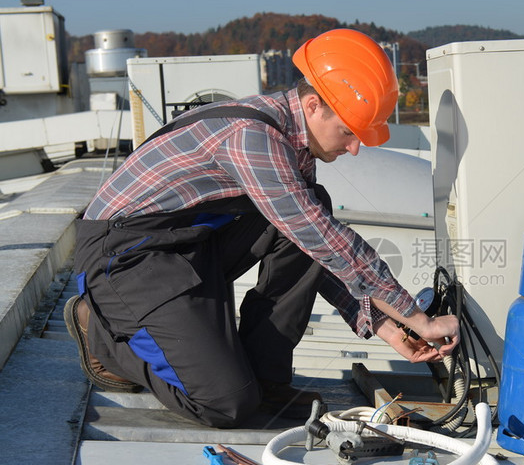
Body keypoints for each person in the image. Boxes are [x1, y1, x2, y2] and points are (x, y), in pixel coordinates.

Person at [63, 29, 460, 428]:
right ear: (313, 105)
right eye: (349, 131)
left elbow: (310, 242)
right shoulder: (252, 137)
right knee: (226, 404)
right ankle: (99, 330)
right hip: (125, 258)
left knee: (311, 204)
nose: (355, 147)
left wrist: (386, 326)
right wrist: (416, 317)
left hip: (183, 247)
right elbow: (326, 240)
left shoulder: (294, 143)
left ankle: (264, 376)